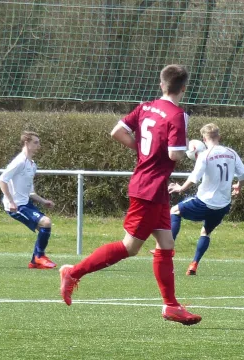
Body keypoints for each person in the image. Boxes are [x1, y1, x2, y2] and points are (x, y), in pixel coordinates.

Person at [59, 64, 202, 325]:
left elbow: (117, 132)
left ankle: (171, 306)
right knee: (129, 247)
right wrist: (192, 151)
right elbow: (174, 154)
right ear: (184, 88)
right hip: (149, 187)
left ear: (162, 84)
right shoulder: (178, 115)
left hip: (152, 186)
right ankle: (73, 272)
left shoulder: (146, 107)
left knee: (166, 244)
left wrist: (143, 151)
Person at [168, 123, 244, 276]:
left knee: (175, 211)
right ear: (219, 137)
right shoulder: (231, 153)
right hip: (223, 205)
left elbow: (194, 177)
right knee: (205, 232)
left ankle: (168, 249)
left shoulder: (205, 155)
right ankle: (194, 264)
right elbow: (243, 173)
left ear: (204, 138)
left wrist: (180, 188)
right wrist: (239, 185)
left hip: (204, 202)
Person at [0, 131, 56, 269]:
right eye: (35, 142)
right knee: (45, 222)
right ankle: (39, 256)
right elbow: (2, 180)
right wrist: (11, 201)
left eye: (39, 143)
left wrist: (43, 201)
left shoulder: (32, 164)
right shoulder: (19, 162)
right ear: (26, 143)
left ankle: (35, 261)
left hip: (26, 204)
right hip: (17, 206)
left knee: (45, 225)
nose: (38, 146)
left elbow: (30, 192)